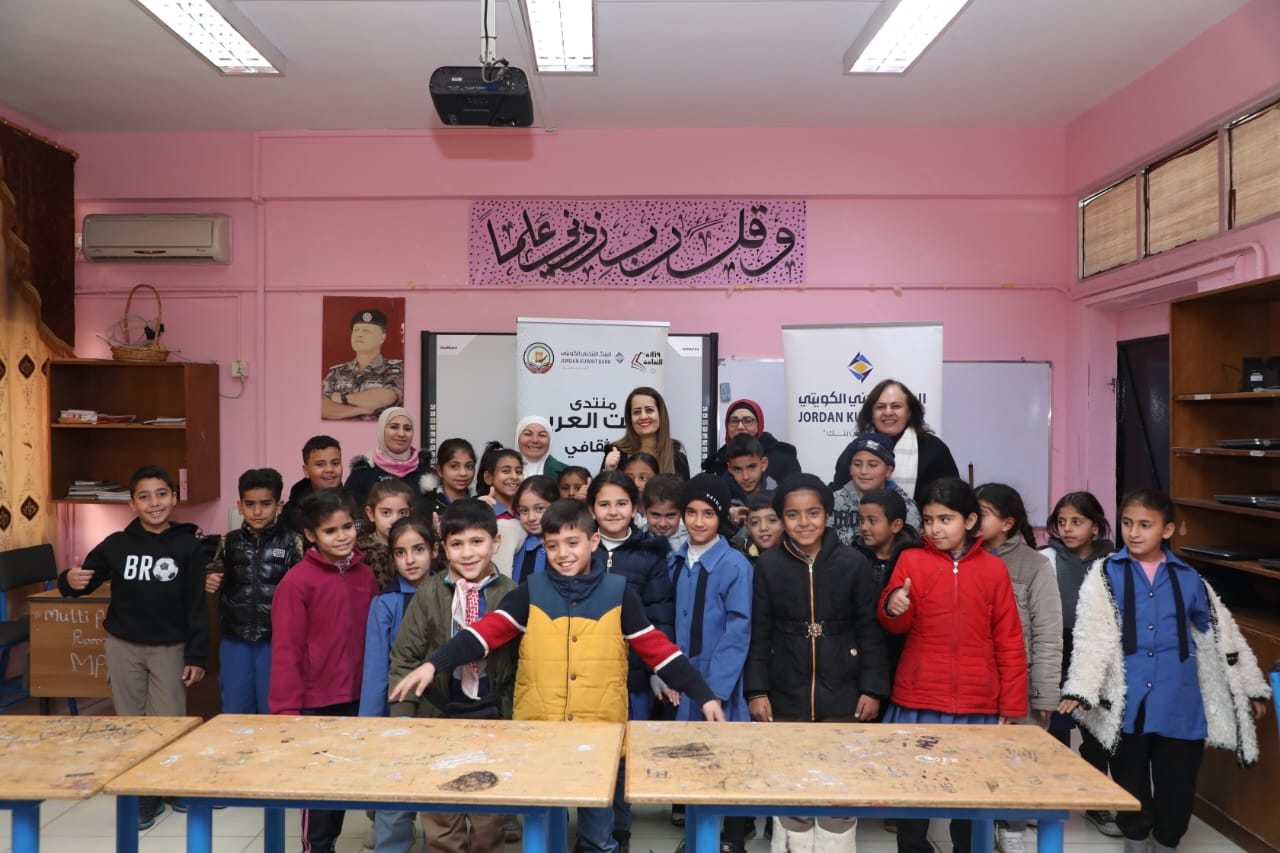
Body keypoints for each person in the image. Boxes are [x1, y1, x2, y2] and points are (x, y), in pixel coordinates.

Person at [389, 498, 726, 853]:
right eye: (552, 546)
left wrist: (704, 695)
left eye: (572, 542)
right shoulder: (530, 592)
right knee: (544, 832)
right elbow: (483, 634)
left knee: (598, 836)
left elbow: (659, 651)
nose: (563, 554)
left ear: (593, 541)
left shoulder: (618, 594)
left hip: (600, 736)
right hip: (540, 736)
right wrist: (433, 664)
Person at [1059, 490, 1270, 853]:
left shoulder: (1189, 578)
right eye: (1127, 523)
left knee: (1178, 788)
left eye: (1145, 525)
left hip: (1180, 703)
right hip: (1128, 705)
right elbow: (1091, 634)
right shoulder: (1105, 574)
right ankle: (1135, 840)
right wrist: (1081, 687)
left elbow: (1222, 635)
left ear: (1167, 529)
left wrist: (1249, 686)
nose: (1134, 532)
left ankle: (1166, 842)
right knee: (1130, 783)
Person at [57, 464, 210, 830]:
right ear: (132, 504)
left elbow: (196, 605)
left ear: (174, 498)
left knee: (170, 721)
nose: (154, 503)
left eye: (161, 494)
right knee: (131, 723)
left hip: (169, 649)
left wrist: (196, 655)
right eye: (144, 496)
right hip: (123, 647)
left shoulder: (188, 546)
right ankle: (142, 795)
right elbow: (83, 581)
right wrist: (68, 579)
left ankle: (170, 784)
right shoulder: (117, 544)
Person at [878, 477, 1027, 853]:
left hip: (978, 704)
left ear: (970, 520)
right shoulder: (911, 560)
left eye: (945, 519)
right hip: (919, 700)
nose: (935, 529)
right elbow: (894, 625)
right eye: (928, 520)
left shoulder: (994, 570)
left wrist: (1011, 704)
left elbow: (1009, 639)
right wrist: (894, 605)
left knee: (973, 794)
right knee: (914, 789)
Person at [746, 474, 890, 853]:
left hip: (843, 691)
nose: (804, 522)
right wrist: (757, 691)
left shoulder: (853, 563)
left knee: (838, 786)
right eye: (793, 515)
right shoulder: (769, 565)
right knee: (791, 783)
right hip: (785, 691)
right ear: (782, 519)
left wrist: (872, 689)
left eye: (813, 513)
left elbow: (870, 631)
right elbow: (759, 633)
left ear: (827, 515)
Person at [382, 505, 514, 853]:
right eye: (457, 544)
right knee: (441, 817)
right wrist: (404, 719)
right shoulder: (429, 592)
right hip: (438, 714)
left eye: (477, 542)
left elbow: (522, 665)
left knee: (489, 818)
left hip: (493, 718)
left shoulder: (512, 594)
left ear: (495, 542)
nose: (467, 553)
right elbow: (405, 658)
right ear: (443, 548)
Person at [269, 488, 380, 853]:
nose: (342, 536)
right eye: (330, 531)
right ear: (311, 535)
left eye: (347, 527)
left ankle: (329, 843)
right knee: (317, 791)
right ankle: (315, 848)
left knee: (342, 784)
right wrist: (286, 711)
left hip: (357, 699)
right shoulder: (296, 582)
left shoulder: (366, 576)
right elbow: (286, 651)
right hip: (315, 705)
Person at [587, 470, 675, 852]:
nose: (613, 511)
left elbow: (660, 613)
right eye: (604, 504)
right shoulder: (580, 547)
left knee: (623, 756)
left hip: (634, 674)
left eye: (621, 503)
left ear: (634, 507)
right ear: (591, 508)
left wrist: (658, 669)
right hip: (587, 671)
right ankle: (592, 834)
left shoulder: (651, 553)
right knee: (591, 754)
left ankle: (619, 833)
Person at [668, 474, 753, 853]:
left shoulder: (735, 565)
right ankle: (696, 839)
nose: (698, 521)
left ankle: (730, 840)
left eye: (708, 513)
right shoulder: (674, 561)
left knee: (726, 764)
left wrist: (714, 690)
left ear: (721, 518)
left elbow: (739, 630)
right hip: (684, 681)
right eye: (691, 512)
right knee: (691, 761)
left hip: (720, 685)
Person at [975, 483, 1062, 853]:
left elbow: (1048, 632)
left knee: (1019, 763)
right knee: (979, 761)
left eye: (983, 513)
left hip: (1021, 684)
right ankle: (982, 829)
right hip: (977, 682)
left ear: (1007, 522)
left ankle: (1012, 830)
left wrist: (1044, 692)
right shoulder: (962, 556)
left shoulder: (1034, 565)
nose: (973, 520)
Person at [1040, 491, 1121, 837]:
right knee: (1055, 732)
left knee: (1096, 735)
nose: (1068, 529)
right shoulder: (1046, 558)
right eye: (1062, 522)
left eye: (1077, 521)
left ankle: (1096, 802)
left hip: (1096, 655)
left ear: (1095, 527)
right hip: (1057, 651)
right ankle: (1052, 800)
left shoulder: (1114, 563)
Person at [205, 467, 305, 716]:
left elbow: (304, 588)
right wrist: (209, 579)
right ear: (240, 506)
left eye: (265, 504)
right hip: (235, 638)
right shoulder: (229, 542)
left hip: (276, 639)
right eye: (250, 504)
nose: (257, 512)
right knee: (235, 709)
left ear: (279, 505)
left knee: (275, 709)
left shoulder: (292, 541)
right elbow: (212, 573)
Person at [830, 380, 958, 506]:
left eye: (896, 406)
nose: (888, 412)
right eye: (880, 407)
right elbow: (838, 494)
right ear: (871, 414)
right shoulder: (857, 448)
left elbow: (952, 499)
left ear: (909, 412)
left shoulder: (934, 449)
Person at [830, 432, 920, 546]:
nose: (863, 471)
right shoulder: (831, 502)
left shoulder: (906, 508)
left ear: (888, 471)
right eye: (857, 464)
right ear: (850, 469)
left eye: (872, 465)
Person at [345, 407, 436, 510]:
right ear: (382, 430)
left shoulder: (426, 472)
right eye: (394, 427)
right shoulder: (363, 473)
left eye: (407, 429)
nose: (401, 434)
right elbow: (351, 514)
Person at [321, 307, 403, 421]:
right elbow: (322, 407)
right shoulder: (336, 371)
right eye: (356, 330)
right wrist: (361, 409)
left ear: (382, 338)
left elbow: (388, 396)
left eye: (366, 331)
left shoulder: (395, 368)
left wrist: (343, 398)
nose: (359, 334)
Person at [602, 387, 690, 480]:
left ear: (660, 414)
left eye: (649, 410)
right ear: (630, 418)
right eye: (637, 412)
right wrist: (608, 471)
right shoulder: (615, 453)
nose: (643, 416)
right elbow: (603, 488)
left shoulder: (677, 457)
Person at [702, 398, 801, 483]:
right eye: (734, 421)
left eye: (748, 421)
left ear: (759, 424)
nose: (740, 427)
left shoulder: (782, 460)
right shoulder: (717, 462)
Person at [356, 478, 415, 588]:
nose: (395, 520)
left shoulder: (419, 546)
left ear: (410, 513)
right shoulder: (361, 554)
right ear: (371, 514)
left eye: (402, 513)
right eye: (386, 513)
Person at [282, 435, 343, 534]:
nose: (329, 469)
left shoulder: (352, 503)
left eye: (335, 463)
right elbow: (283, 541)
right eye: (320, 464)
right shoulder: (292, 511)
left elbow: (360, 534)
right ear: (306, 471)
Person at [722, 435, 778, 532]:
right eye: (738, 469)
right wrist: (727, 519)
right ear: (730, 469)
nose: (745, 477)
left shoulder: (778, 496)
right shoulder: (723, 498)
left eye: (751, 467)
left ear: (764, 464)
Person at [510, 475, 558, 583]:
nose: (531, 518)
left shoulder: (565, 545)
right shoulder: (515, 544)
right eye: (524, 510)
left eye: (539, 508)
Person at [643, 474, 688, 554]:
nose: (662, 524)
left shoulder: (690, 542)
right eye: (656, 515)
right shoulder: (637, 541)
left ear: (681, 513)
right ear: (645, 511)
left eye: (670, 515)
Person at [478, 442, 523, 519]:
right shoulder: (481, 512)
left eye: (519, 472)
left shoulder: (525, 510)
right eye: (506, 471)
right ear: (488, 477)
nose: (515, 477)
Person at [515, 415, 568, 480]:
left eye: (542, 435)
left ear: (550, 440)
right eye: (528, 434)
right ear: (517, 438)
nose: (535, 440)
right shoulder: (504, 468)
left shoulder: (566, 473)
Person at [430, 438, 478, 508]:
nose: (463, 473)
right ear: (440, 470)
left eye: (469, 466)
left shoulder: (481, 502)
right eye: (454, 466)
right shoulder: (427, 504)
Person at [738, 490, 782, 560]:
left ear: (784, 522)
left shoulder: (796, 555)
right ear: (747, 527)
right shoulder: (740, 558)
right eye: (755, 522)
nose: (763, 528)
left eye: (772, 520)